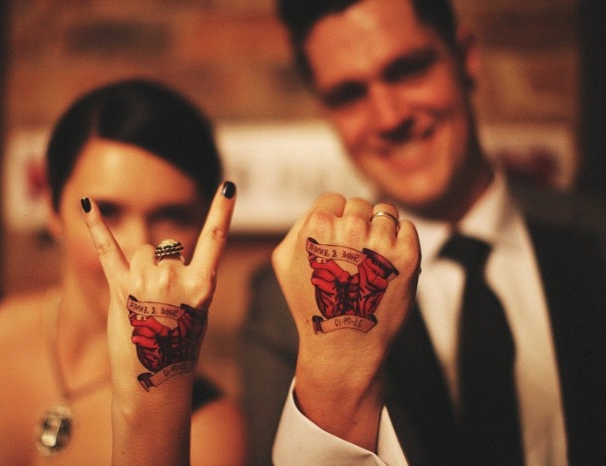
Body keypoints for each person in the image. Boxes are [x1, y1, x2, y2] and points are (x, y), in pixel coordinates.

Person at [241, 1, 606, 465]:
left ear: (466, 58)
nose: (390, 117)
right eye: (349, 94)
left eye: (408, 70)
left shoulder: (597, 235)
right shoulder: (285, 304)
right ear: (327, 112)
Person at [0, 78, 246, 465]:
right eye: (106, 212)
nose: (139, 249)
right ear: (52, 209)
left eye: (172, 216)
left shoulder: (209, 428)